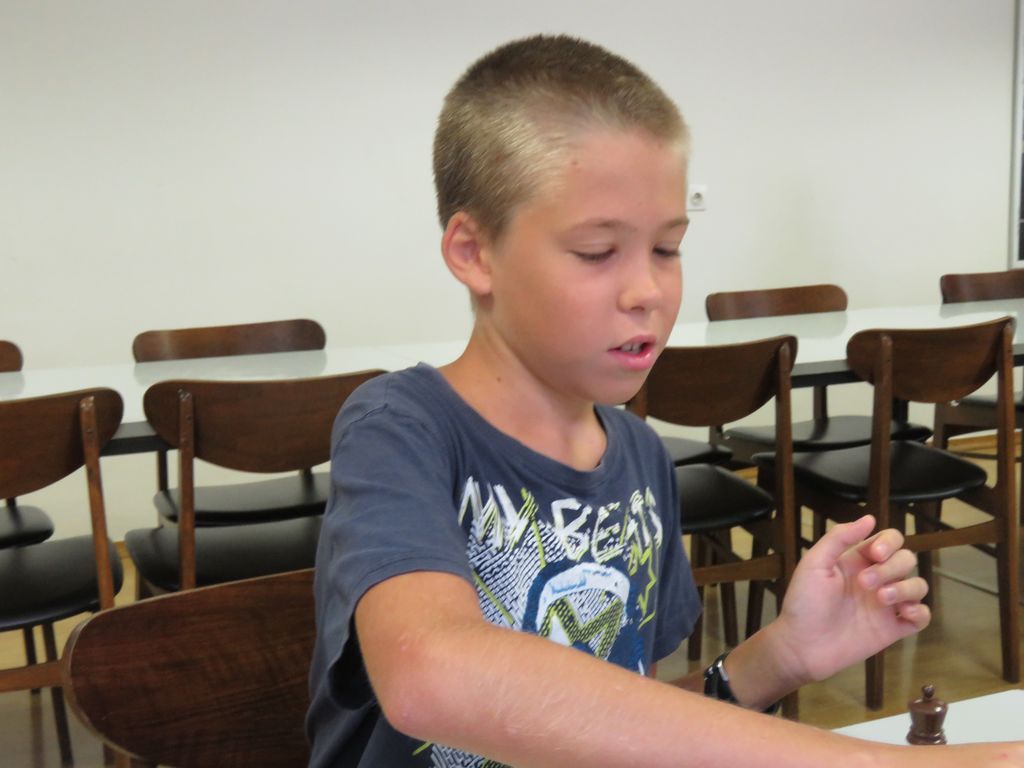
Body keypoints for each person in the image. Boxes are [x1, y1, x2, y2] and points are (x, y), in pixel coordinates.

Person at [307, 34, 1024, 767]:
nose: (647, 291)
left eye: (667, 248)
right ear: (474, 252)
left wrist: (781, 654)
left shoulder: (641, 457)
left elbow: (620, 727)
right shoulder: (400, 428)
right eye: (597, 252)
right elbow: (430, 675)